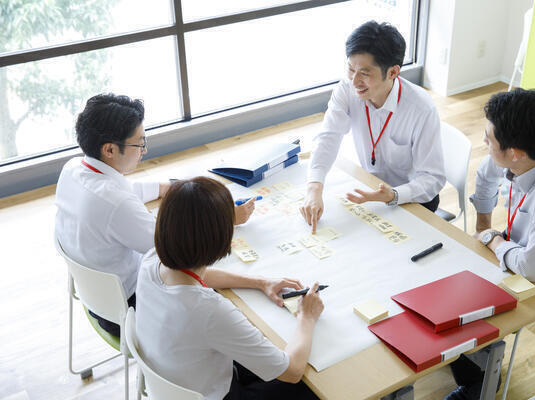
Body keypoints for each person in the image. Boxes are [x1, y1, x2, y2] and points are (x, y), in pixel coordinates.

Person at [54, 93, 255, 337]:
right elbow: (177, 251)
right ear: (109, 149)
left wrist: (164, 188)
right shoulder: (116, 204)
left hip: (95, 297)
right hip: (129, 311)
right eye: (139, 143)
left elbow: (120, 190)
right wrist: (225, 218)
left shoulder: (73, 168)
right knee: (211, 276)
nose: (144, 150)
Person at [444, 88, 535, 400]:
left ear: (515, 152)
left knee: (460, 304)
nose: (484, 143)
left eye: (489, 138)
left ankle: (479, 383)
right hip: (515, 251)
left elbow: (532, 268)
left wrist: (493, 241)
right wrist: (483, 226)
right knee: (443, 277)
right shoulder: (523, 157)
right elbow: (485, 174)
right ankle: (466, 355)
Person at [135, 177, 323, 399]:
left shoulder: (151, 261)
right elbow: (292, 372)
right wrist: (306, 318)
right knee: (312, 387)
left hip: (176, 380)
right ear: (222, 238)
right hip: (217, 393)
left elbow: (196, 277)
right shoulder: (210, 310)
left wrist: (260, 282)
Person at [301, 20, 446, 233]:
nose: (354, 81)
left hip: (412, 200)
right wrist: (314, 187)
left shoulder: (421, 109)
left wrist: (394, 195)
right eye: (351, 69)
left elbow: (432, 179)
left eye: (365, 73)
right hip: (370, 189)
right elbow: (328, 137)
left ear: (393, 73)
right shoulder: (347, 89)